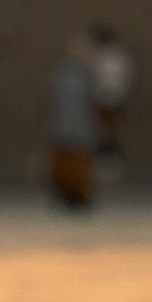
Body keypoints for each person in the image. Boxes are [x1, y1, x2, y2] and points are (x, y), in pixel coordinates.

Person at [47, 32, 101, 212]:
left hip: (83, 128)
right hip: (63, 127)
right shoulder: (62, 75)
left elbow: (94, 102)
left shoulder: (89, 76)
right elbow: (54, 102)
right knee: (64, 164)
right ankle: (65, 195)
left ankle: (80, 196)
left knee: (81, 164)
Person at [89, 23, 133, 168]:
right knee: (102, 130)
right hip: (103, 98)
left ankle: (111, 158)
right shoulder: (99, 55)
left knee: (110, 129)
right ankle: (103, 158)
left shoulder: (116, 56)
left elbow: (122, 76)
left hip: (111, 98)